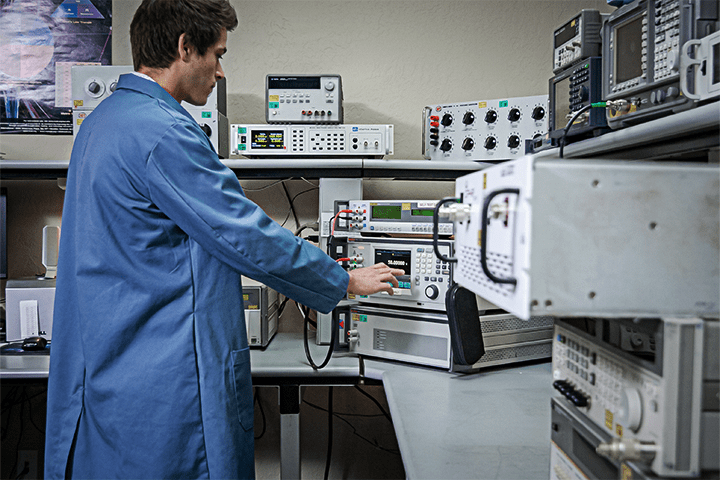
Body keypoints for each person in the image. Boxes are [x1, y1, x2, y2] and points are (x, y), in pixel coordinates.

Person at [44, 1, 404, 478]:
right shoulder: (162, 131)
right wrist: (343, 279)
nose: (218, 70)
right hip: (165, 382)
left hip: (113, 371)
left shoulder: (102, 123)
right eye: (217, 54)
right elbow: (244, 234)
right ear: (183, 47)